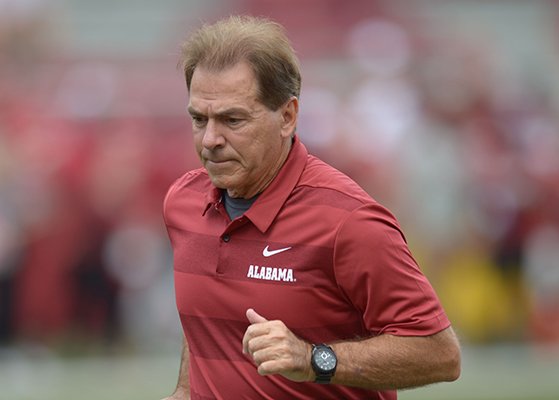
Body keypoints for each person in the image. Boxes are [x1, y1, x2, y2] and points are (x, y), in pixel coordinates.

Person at [161, 15, 461, 400]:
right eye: (199, 119)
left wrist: (313, 359)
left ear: (287, 117)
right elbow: (205, 321)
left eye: (232, 119)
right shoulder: (182, 203)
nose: (211, 139)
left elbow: (441, 354)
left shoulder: (350, 221)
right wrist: (185, 391)